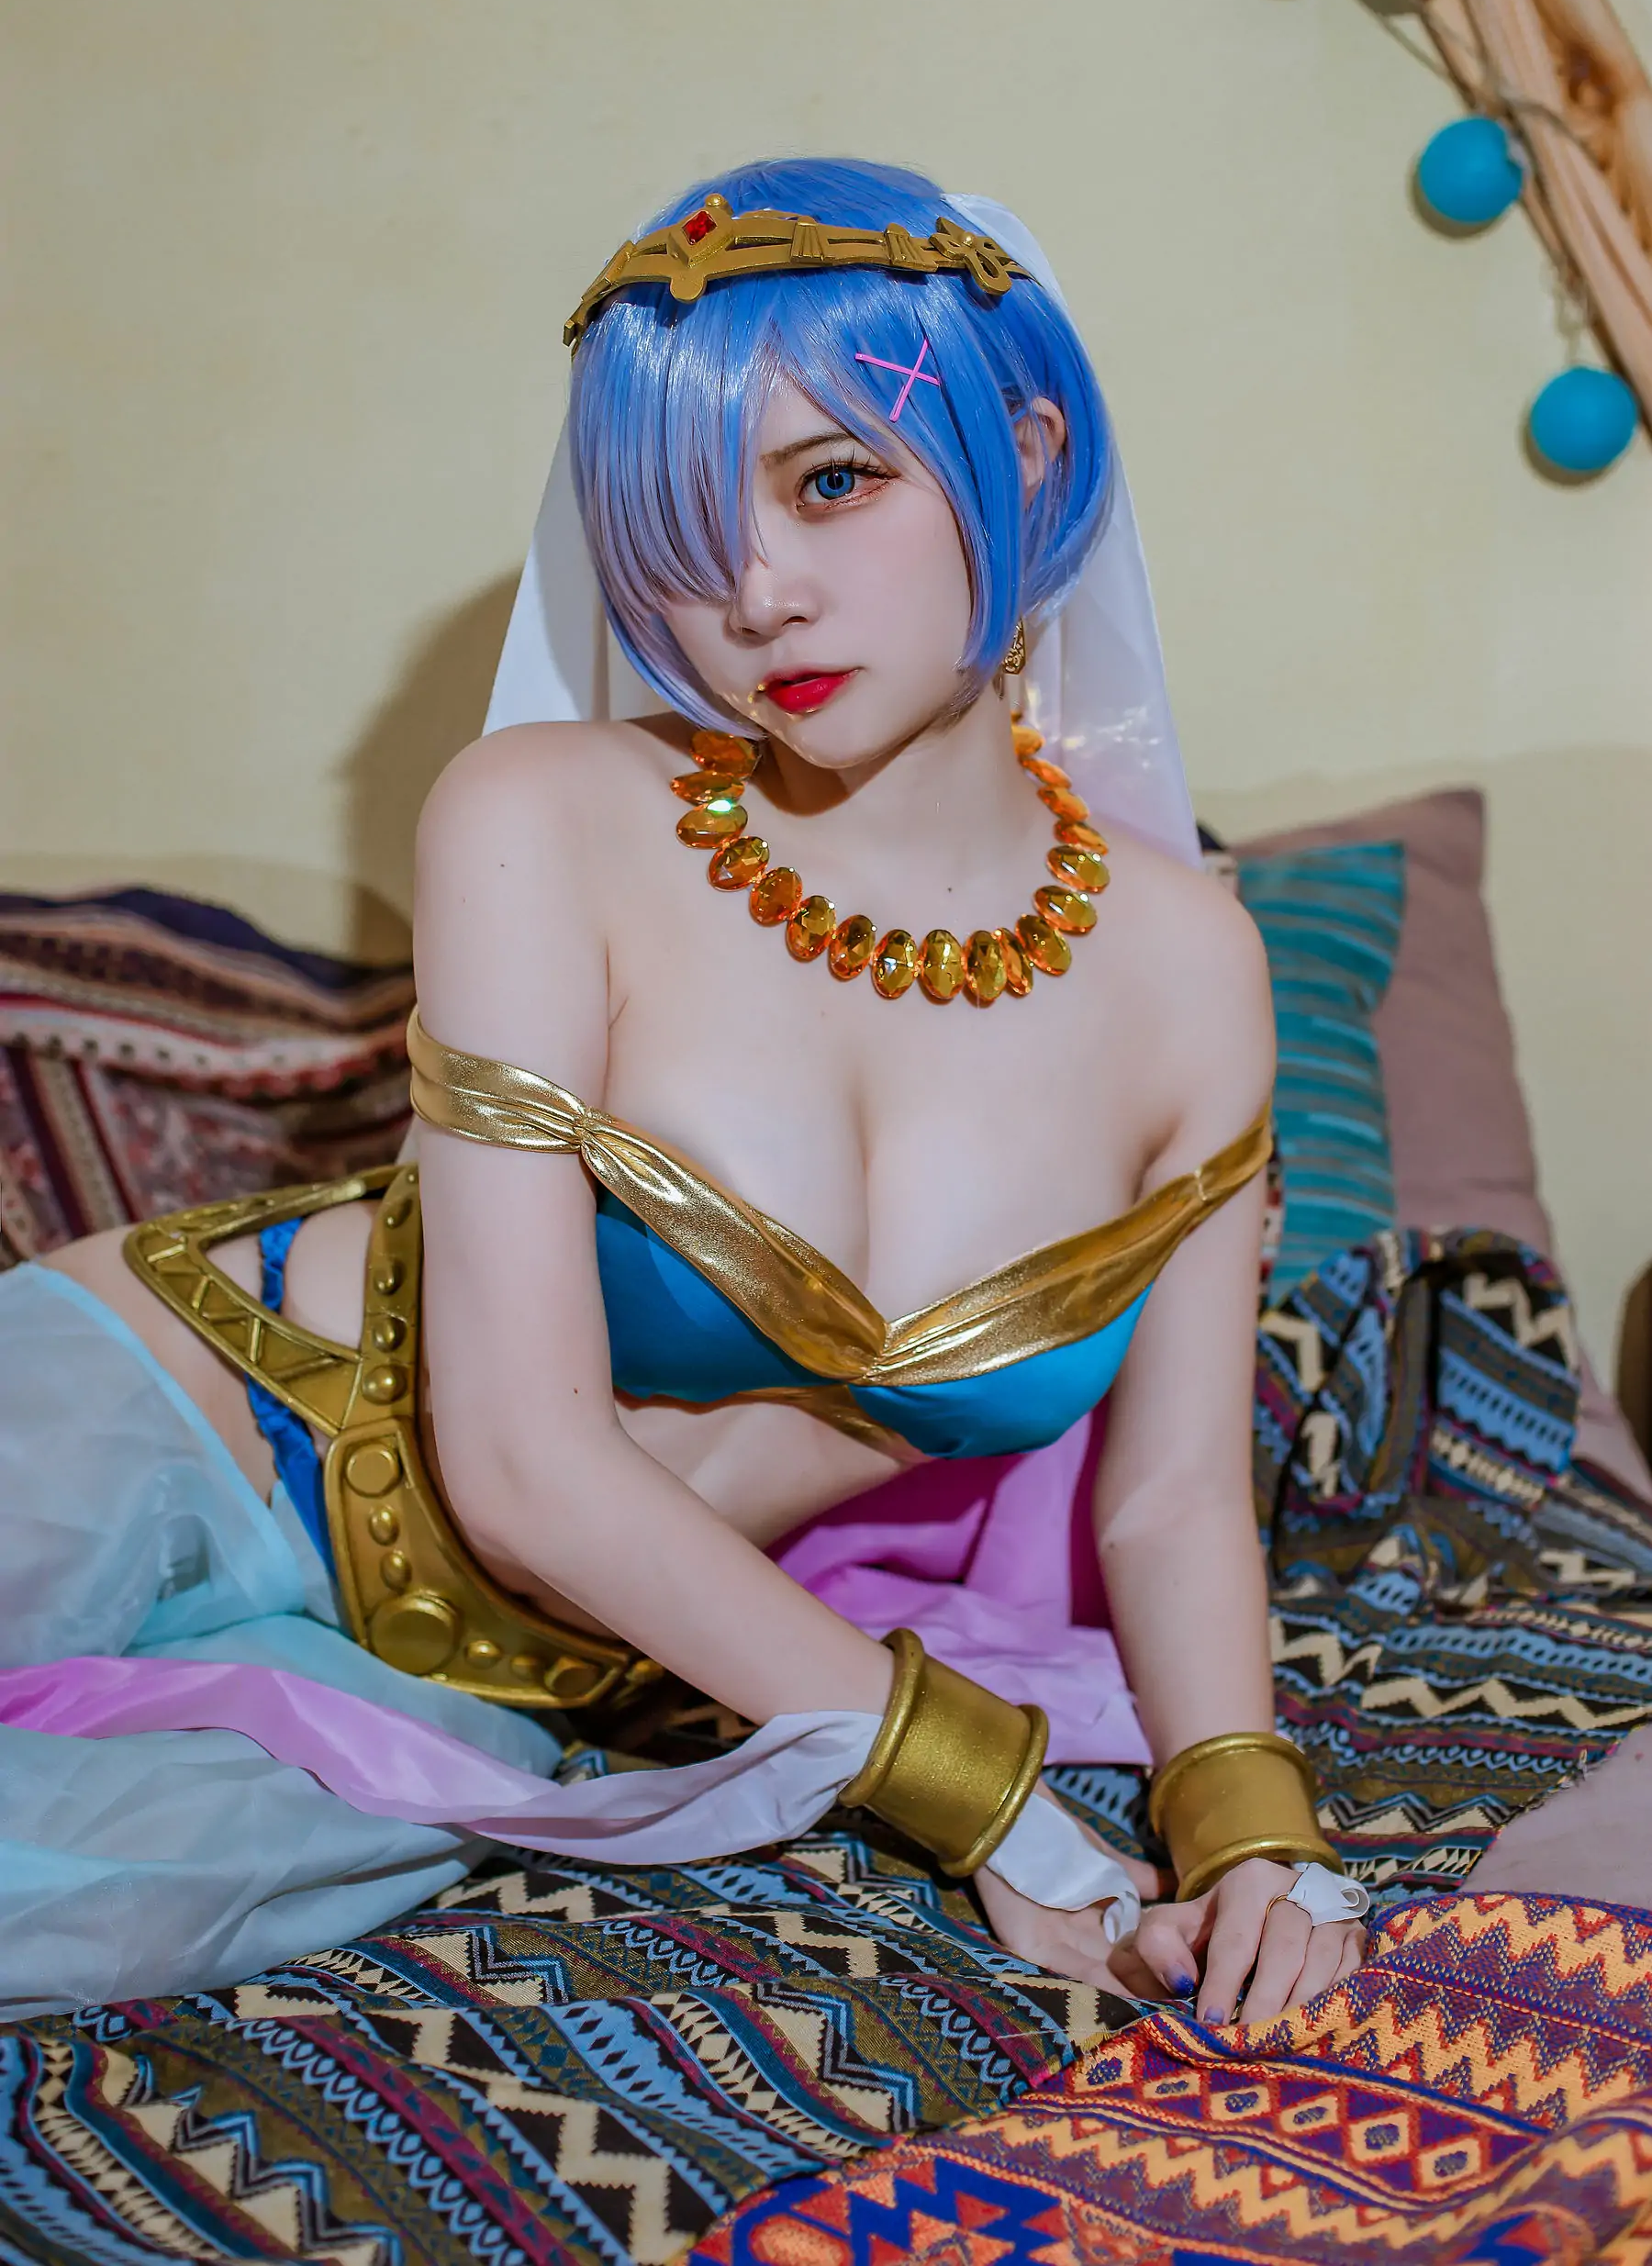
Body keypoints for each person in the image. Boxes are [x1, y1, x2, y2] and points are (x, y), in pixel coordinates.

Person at [1, 158, 1372, 2017]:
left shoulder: (1195, 966)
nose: (754, 592)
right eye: (676, 521)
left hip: (518, 1681)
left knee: (86, 1914)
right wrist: (973, 1793)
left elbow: (1176, 1498)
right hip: (185, 1410)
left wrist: (1251, 1833)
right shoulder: (543, 819)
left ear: (1029, 458)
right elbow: (521, 1465)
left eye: (833, 480)